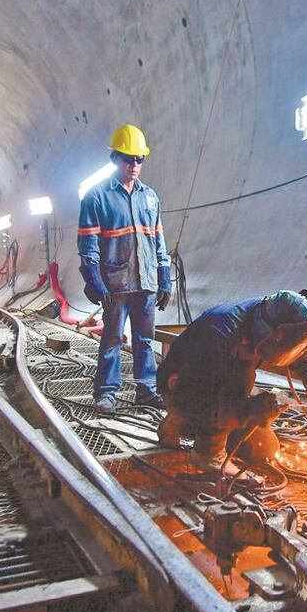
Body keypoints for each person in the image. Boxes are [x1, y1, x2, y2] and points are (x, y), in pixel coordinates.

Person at [156, 289, 307, 476]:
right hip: (185, 387)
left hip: (222, 387)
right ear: (275, 335)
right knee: (235, 385)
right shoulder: (218, 332)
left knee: (263, 449)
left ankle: (191, 425)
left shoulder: (277, 321)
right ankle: (201, 447)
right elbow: (200, 398)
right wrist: (250, 411)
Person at [78, 124, 173, 414]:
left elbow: (158, 240)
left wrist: (164, 276)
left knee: (145, 340)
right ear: (114, 159)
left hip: (146, 281)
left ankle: (146, 390)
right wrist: (93, 278)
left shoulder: (150, 197)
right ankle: (106, 393)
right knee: (112, 340)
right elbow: (88, 243)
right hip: (116, 284)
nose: (134, 165)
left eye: (139, 159)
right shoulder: (96, 197)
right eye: (128, 158)